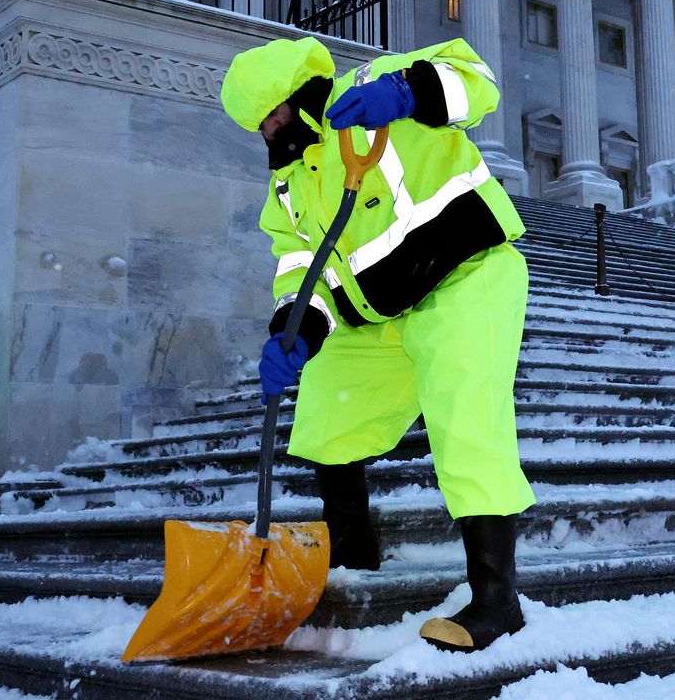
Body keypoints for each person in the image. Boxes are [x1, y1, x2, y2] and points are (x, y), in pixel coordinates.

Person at [219, 35, 534, 653]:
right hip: (377, 316)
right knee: (326, 417)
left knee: (466, 414)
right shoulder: (288, 187)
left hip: (465, 277)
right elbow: (299, 267)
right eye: (257, 126)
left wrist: (410, 93)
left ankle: (497, 600)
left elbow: (480, 85)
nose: (268, 134)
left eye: (272, 116)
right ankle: (354, 564)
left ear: (298, 97)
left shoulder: (379, 81)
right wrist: (293, 334)